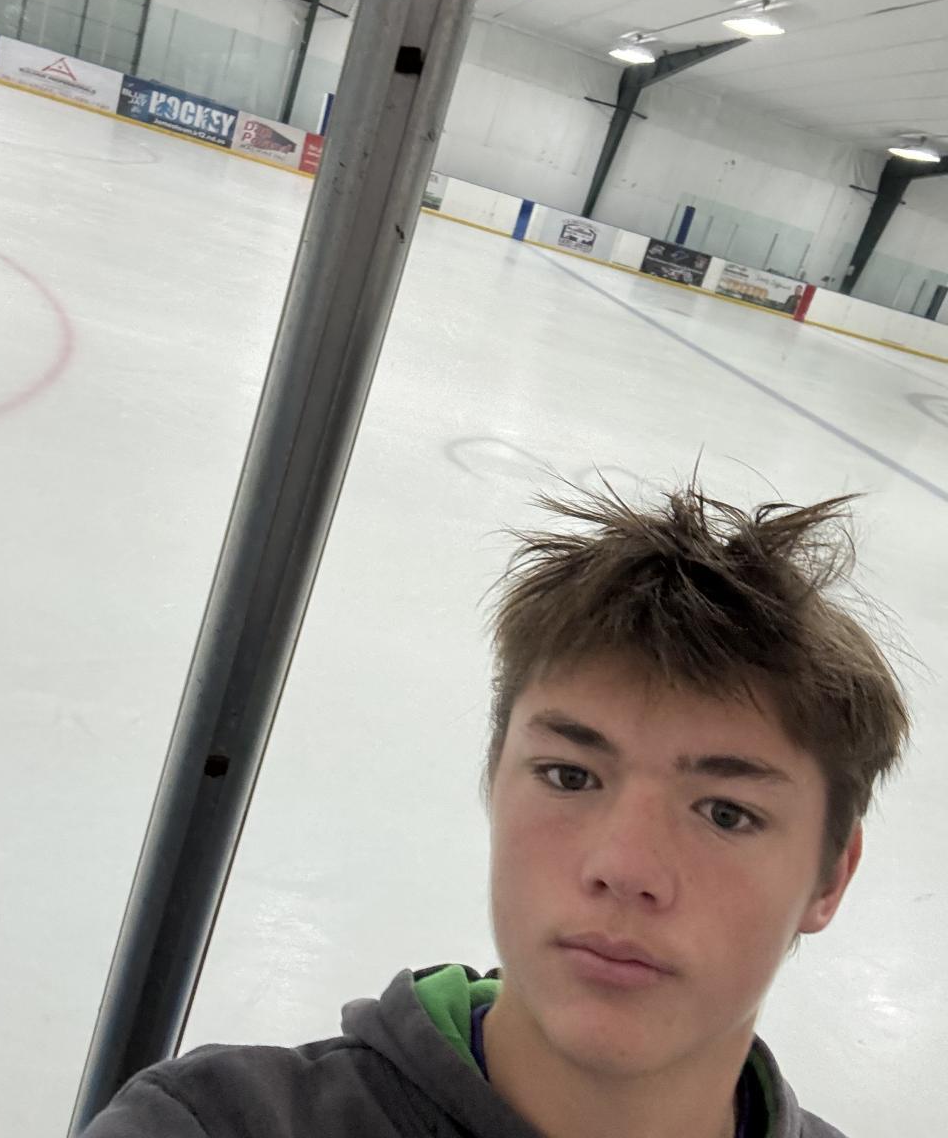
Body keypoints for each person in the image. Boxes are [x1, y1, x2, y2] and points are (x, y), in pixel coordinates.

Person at [80, 483, 910, 1138]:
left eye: (726, 813)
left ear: (830, 878)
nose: (624, 868)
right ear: (495, 784)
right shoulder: (216, 1124)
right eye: (570, 776)